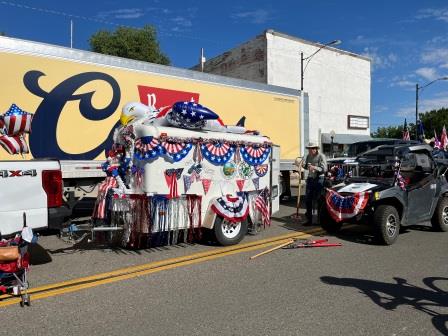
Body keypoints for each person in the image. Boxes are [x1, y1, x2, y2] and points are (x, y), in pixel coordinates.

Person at [301, 142, 327, 225]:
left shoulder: (321, 156)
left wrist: (314, 167)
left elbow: (324, 169)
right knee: (308, 199)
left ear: (316, 149)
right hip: (311, 179)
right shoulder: (308, 156)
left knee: (319, 200)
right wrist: (302, 165)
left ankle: (320, 220)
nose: (310, 150)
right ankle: (309, 220)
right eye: (309, 148)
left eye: (311, 148)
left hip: (319, 179)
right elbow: (306, 167)